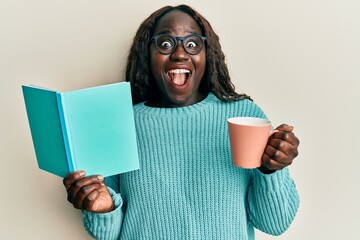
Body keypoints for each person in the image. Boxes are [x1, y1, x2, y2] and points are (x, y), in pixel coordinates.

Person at [63, 4, 300, 240]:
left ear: (208, 54)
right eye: (165, 44)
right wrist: (103, 208)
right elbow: (110, 233)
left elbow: (275, 223)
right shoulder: (121, 123)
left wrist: (271, 170)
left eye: (192, 44)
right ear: (147, 54)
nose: (179, 53)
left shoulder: (243, 116)